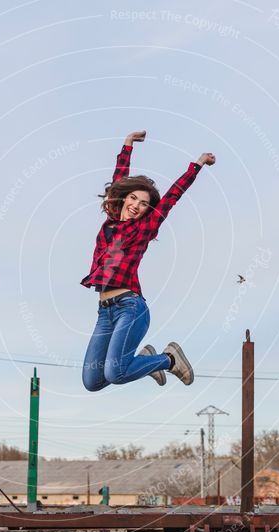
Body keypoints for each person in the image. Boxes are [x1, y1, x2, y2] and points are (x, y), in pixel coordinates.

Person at [80, 130, 216, 391]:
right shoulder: (110, 220)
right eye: (133, 198)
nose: (136, 205)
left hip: (130, 307)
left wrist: (197, 164)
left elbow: (173, 196)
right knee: (92, 381)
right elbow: (119, 177)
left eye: (143, 203)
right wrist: (127, 144)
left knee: (116, 372)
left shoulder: (145, 227)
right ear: (123, 199)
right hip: (104, 312)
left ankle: (169, 359)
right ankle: (143, 360)